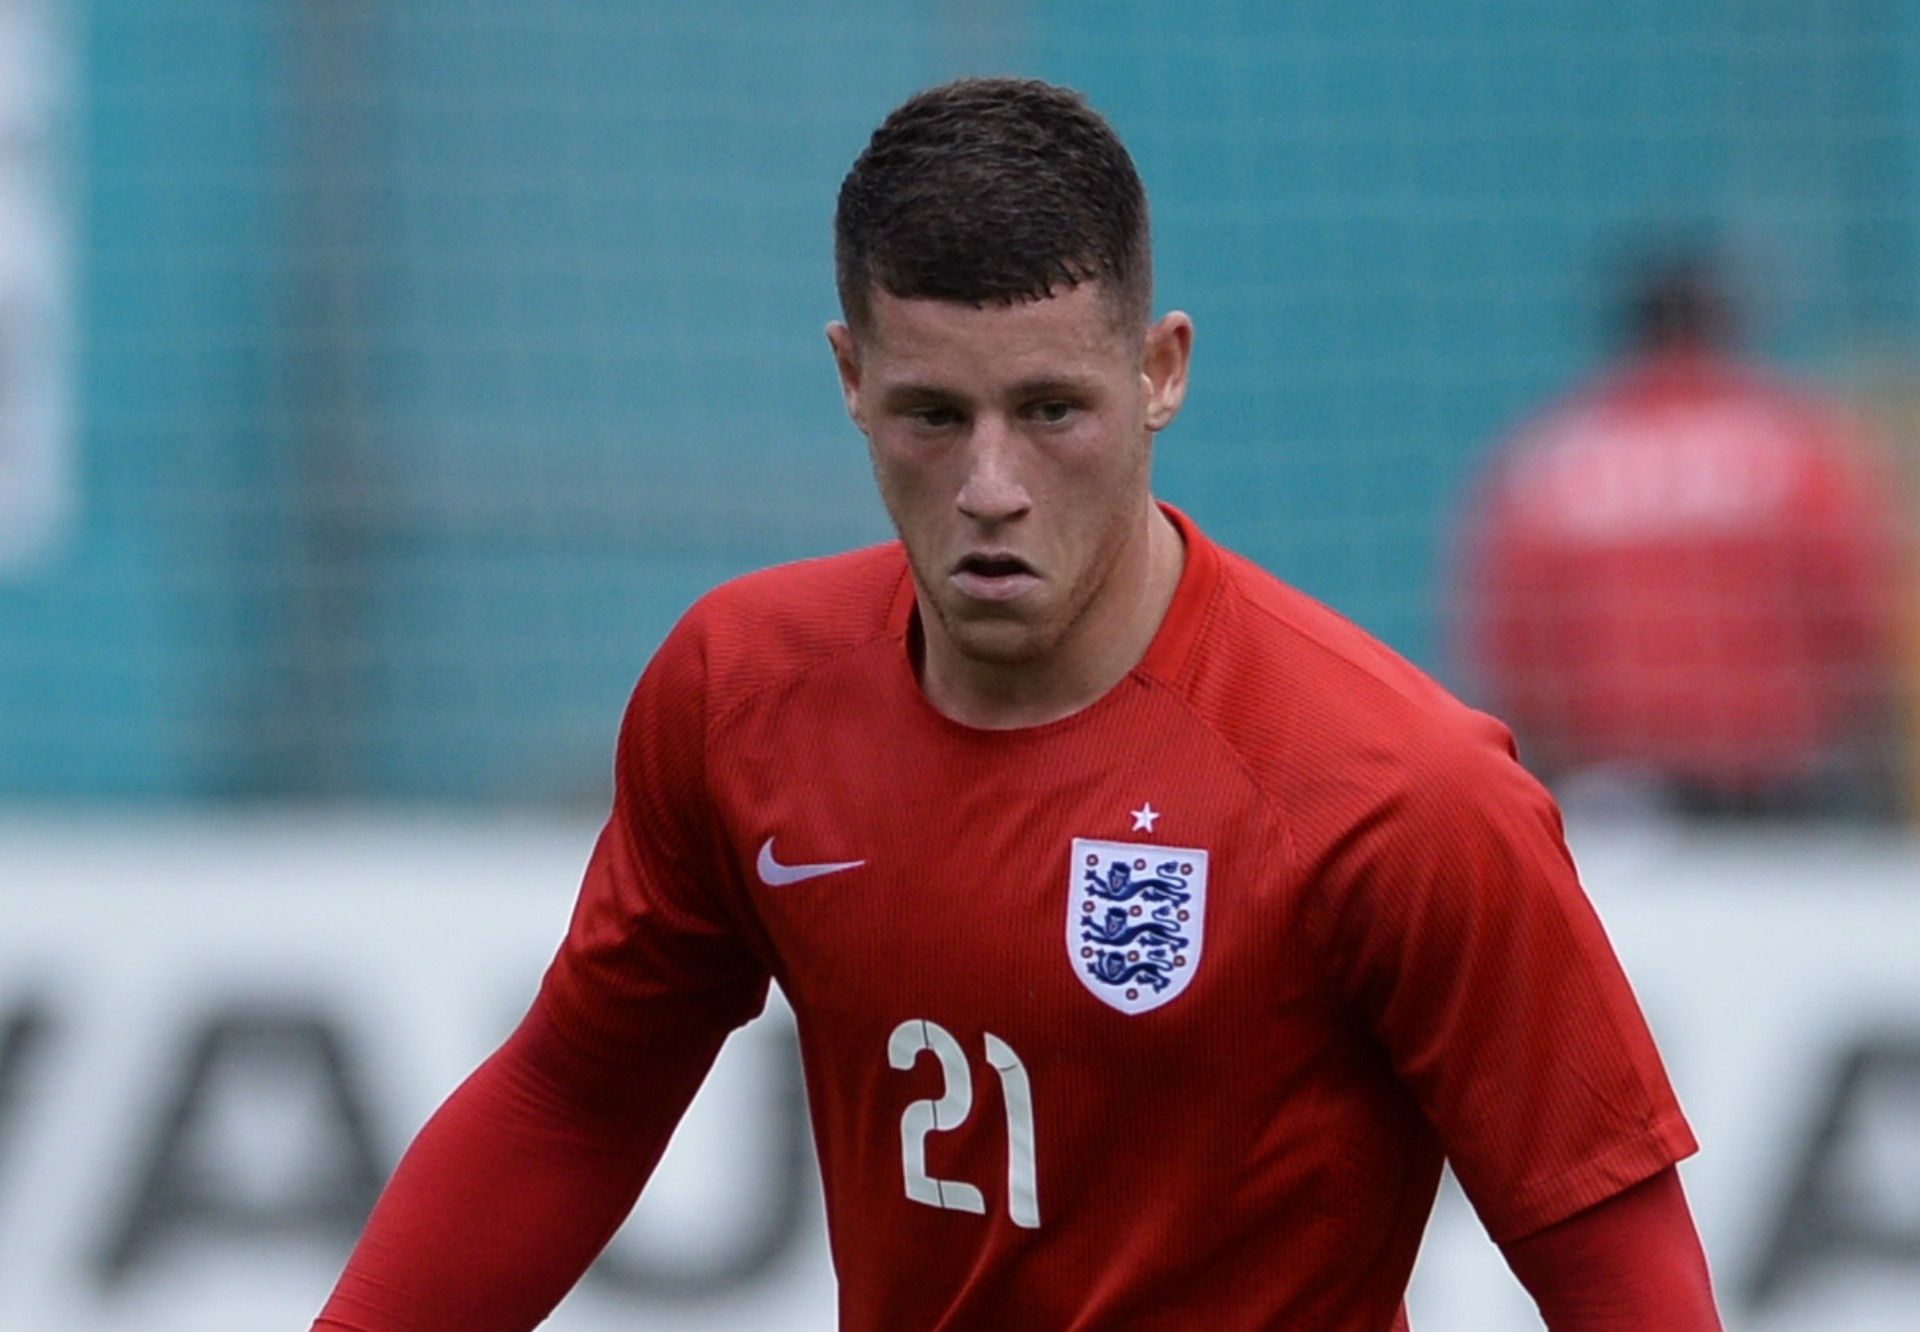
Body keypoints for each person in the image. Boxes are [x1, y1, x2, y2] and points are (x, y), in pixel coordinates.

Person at [314, 79, 1721, 1331]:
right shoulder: (741, 694)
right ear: (851, 379)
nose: (991, 486)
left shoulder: (1400, 793)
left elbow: (1614, 1264)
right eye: (934, 416)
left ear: (1161, 372)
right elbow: (576, 1099)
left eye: (1053, 410)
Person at [1456, 253, 1910, 819]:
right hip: (1780, 789)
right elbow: (1856, 617)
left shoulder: (1551, 459)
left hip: (1618, 799)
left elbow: (1513, 647)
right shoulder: (1796, 445)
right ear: (1726, 323)